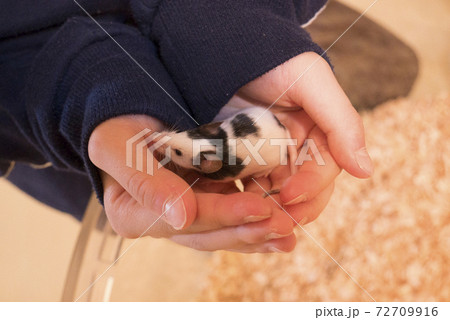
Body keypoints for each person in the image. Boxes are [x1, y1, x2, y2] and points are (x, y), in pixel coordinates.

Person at [0, 0, 373, 253]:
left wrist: (231, 26)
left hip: (262, 33)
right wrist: (82, 87)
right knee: (156, 199)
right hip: (56, 124)